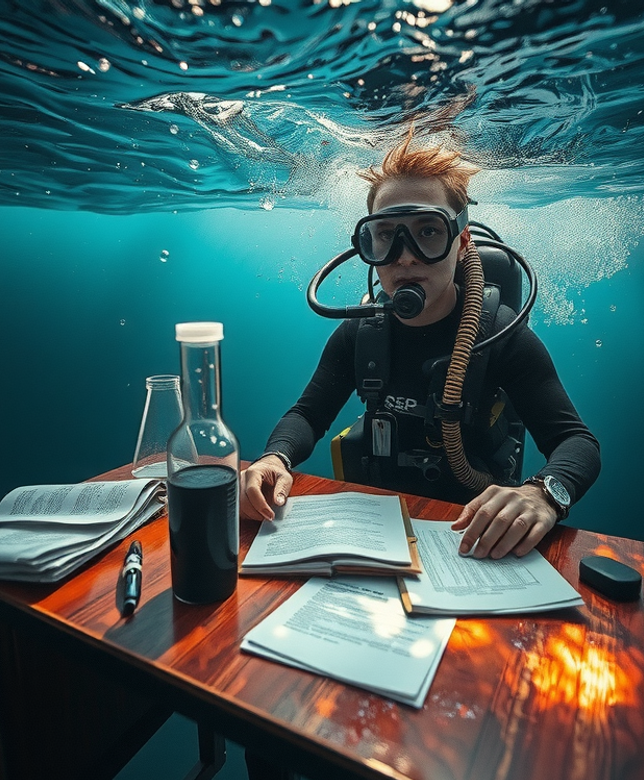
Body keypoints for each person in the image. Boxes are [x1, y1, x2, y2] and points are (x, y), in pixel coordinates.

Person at [239, 129, 601, 562]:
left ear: (461, 243)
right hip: (381, 529)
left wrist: (544, 494)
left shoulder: (500, 333)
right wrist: (274, 458)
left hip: (472, 536)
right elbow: (307, 414)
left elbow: (576, 441)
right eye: (385, 235)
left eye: (428, 231)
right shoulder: (361, 332)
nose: (405, 256)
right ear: (368, 246)